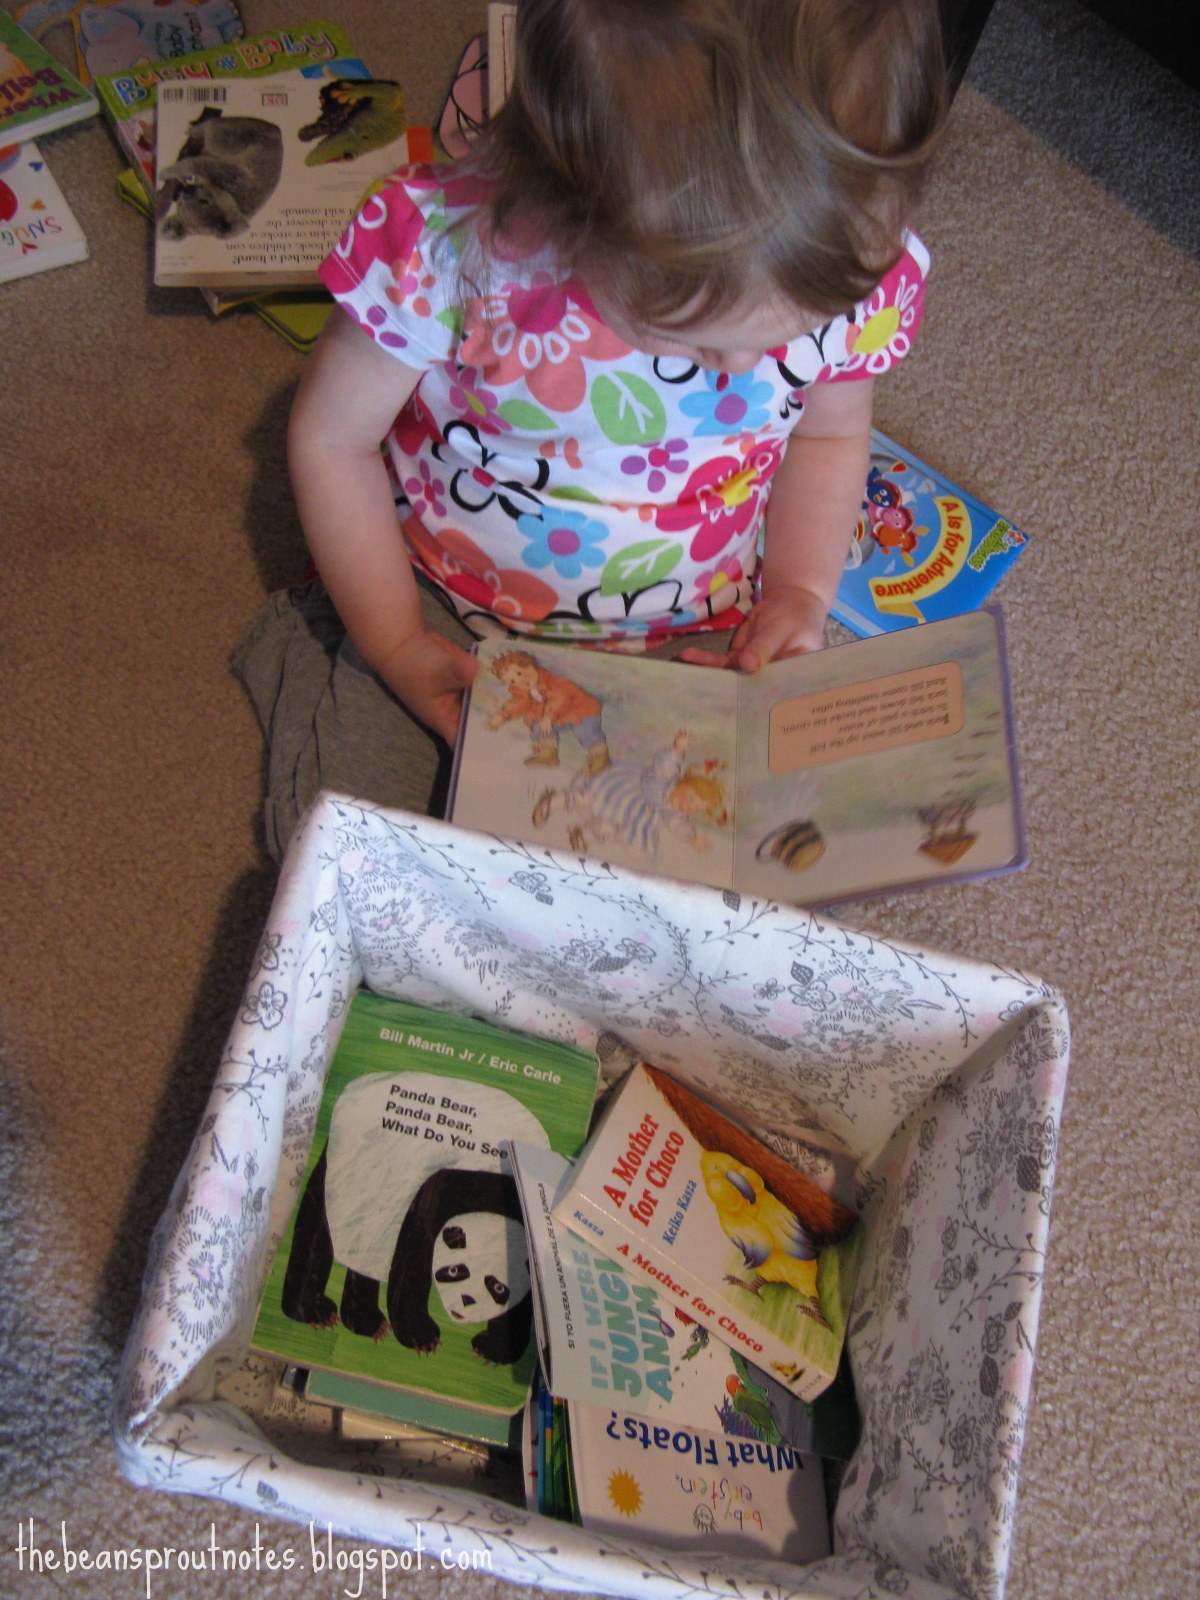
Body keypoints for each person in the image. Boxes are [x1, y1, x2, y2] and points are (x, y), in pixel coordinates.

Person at [288, 0, 946, 778]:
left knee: (725, 848)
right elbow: (332, 443)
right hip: (438, 598)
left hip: (702, 628)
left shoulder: (847, 267)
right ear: (565, 207)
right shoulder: (453, 255)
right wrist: (395, 643)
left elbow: (828, 434)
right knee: (359, 819)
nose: (744, 370)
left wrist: (799, 593)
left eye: (788, 336)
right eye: (696, 338)